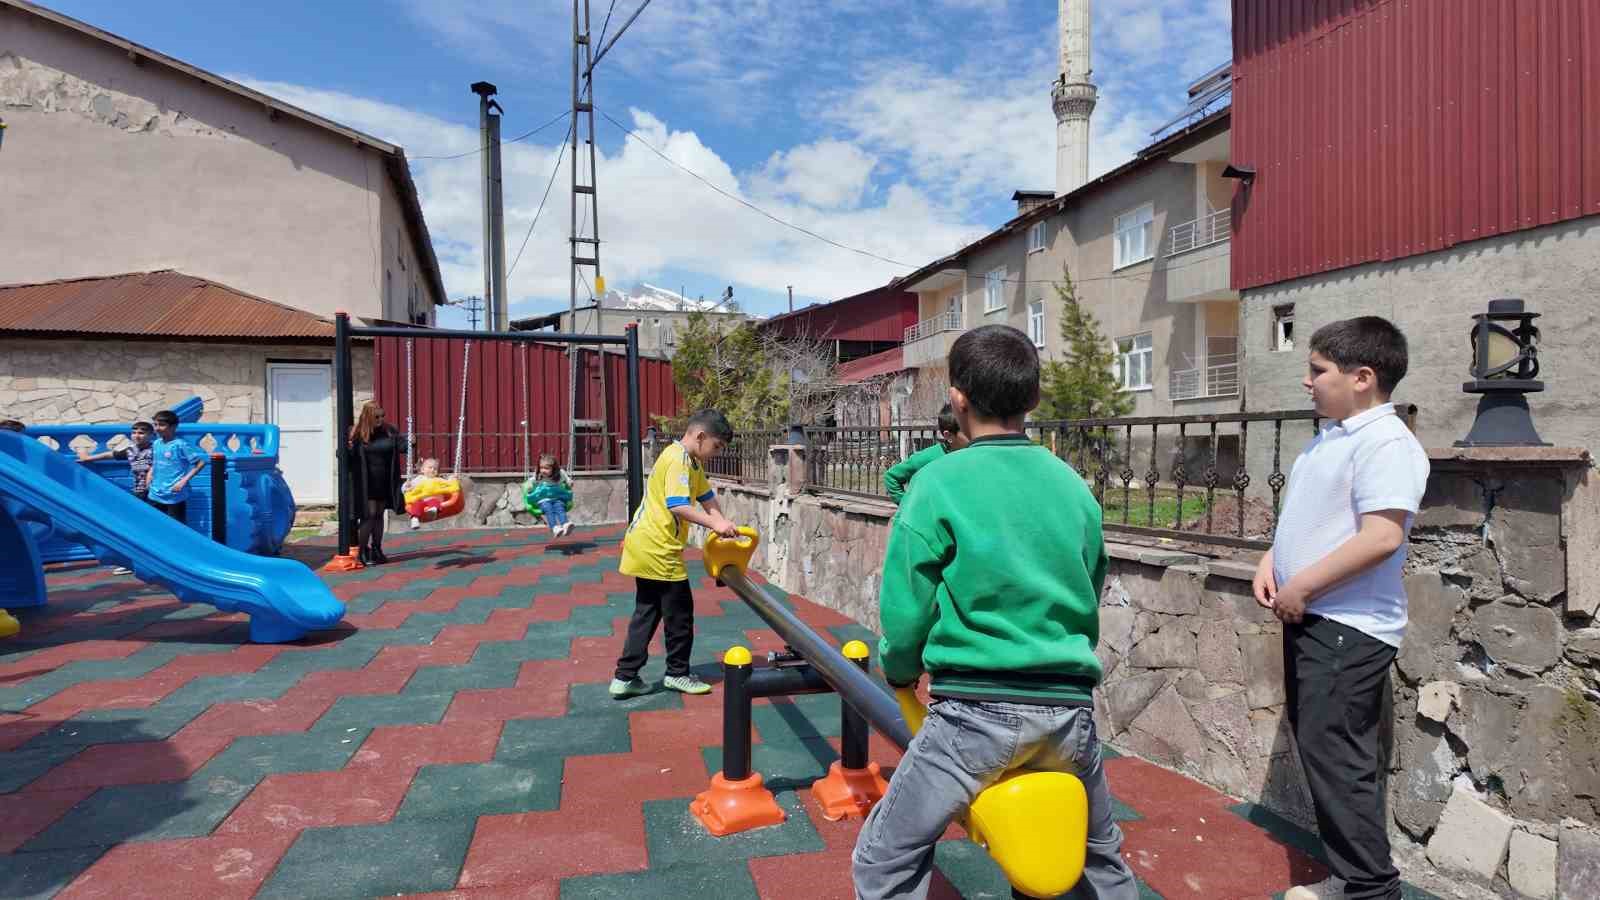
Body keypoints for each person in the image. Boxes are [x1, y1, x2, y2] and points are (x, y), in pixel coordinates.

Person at [852, 325, 1137, 900]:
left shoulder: (936, 484)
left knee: (884, 856)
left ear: (957, 397)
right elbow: (1090, 582)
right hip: (1068, 715)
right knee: (1098, 861)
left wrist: (900, 670)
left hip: (974, 717)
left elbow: (907, 608)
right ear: (1033, 399)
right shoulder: (1074, 488)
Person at [1253, 317, 1428, 900]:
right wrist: (1270, 561)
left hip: (1349, 627)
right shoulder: (1332, 437)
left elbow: (1381, 537)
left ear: (1362, 377)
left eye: (1317, 370)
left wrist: (1301, 587)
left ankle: (1372, 889)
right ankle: (1353, 877)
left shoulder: (1387, 442)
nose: (1307, 382)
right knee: (1325, 752)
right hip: (1320, 620)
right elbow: (1312, 519)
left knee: (1337, 759)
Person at [610, 410, 740, 698]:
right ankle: (677, 673)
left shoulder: (691, 462)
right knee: (680, 614)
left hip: (645, 544)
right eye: (716, 446)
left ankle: (624, 677)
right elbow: (678, 505)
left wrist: (723, 522)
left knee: (648, 610)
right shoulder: (679, 460)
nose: (716, 453)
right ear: (700, 436)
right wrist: (715, 525)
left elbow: (707, 498)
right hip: (659, 549)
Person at [78, 421, 156, 575]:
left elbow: (161, 463)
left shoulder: (156, 449)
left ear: (150, 435)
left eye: (141, 432)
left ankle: (150, 563)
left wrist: (151, 473)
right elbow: (111, 454)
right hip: (139, 493)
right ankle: (134, 562)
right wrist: (89, 458)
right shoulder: (131, 450)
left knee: (151, 530)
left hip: (155, 494)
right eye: (134, 432)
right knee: (135, 529)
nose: (137, 435)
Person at [347, 400, 405, 565]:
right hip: (366, 481)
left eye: (382, 416)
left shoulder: (389, 431)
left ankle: (377, 549)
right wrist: (348, 448)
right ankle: (361, 551)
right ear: (368, 417)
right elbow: (344, 455)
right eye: (377, 416)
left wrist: (410, 442)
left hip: (384, 479)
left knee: (379, 515)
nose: (380, 419)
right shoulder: (356, 433)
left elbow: (401, 446)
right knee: (369, 515)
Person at [883, 402, 968, 503]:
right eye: (966, 432)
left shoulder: (971, 454)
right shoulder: (929, 457)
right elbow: (891, 477)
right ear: (948, 436)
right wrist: (907, 505)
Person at [147, 410, 207, 524]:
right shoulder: (156, 443)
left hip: (174, 495)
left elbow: (200, 463)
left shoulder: (180, 445)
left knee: (176, 528)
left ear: (173, 427)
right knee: (154, 525)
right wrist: (150, 474)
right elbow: (156, 461)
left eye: (162, 425)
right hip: (155, 493)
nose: (157, 428)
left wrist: (183, 482)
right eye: (155, 425)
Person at [523, 453, 575, 537]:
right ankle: (554, 528)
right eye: (541, 468)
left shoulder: (560, 474)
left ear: (553, 469)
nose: (543, 470)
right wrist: (529, 487)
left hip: (557, 498)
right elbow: (531, 482)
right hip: (543, 500)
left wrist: (569, 482)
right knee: (548, 509)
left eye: (546, 468)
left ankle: (565, 524)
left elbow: (566, 479)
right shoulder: (538, 476)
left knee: (560, 507)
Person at [402, 457, 454, 530]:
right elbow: (407, 487)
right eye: (430, 467)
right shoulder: (419, 479)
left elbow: (448, 484)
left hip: (433, 501)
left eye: (435, 469)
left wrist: (452, 479)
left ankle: (432, 511)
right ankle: (414, 519)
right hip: (422, 501)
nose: (432, 470)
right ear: (422, 470)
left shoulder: (438, 479)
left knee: (435, 501)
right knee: (416, 504)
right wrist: (406, 487)